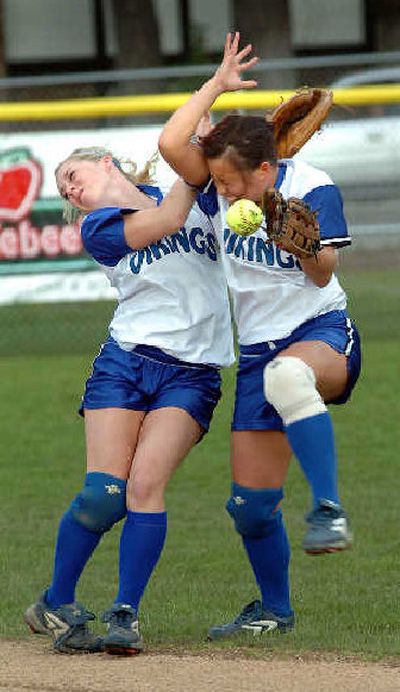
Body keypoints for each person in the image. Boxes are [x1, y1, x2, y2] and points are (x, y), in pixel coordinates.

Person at [159, 32, 362, 639]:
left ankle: (329, 508)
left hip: (320, 330)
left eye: (229, 183)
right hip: (257, 350)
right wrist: (216, 86)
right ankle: (274, 610)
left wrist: (296, 243)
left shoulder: (311, 185)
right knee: (248, 509)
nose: (220, 192)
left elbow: (324, 270)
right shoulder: (227, 181)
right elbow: (173, 143)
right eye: (215, 182)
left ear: (268, 168)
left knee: (289, 374)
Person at [24, 145, 234, 654]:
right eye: (63, 189)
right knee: (104, 496)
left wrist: (213, 104)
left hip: (193, 373)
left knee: (144, 486)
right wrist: (198, 162)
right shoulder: (97, 227)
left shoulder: (195, 201)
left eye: (72, 173)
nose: (69, 188)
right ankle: (55, 600)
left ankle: (126, 612)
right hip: (125, 364)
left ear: (105, 163)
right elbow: (166, 218)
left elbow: (202, 172)